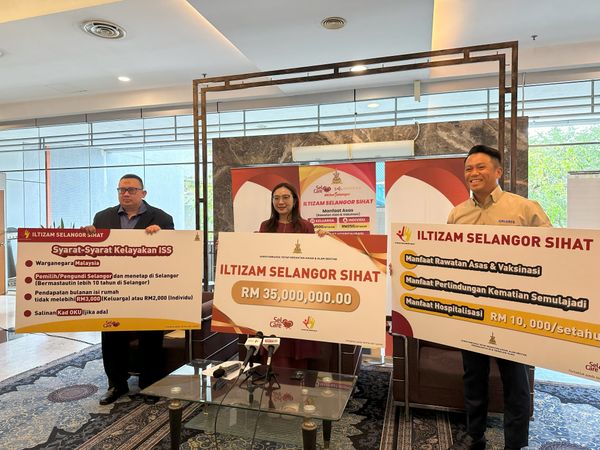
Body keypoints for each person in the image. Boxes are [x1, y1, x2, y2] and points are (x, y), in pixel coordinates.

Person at [447, 145, 551, 450]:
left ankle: (515, 443)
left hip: (513, 309)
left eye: (480, 167)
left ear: (498, 171)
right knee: (473, 376)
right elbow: (446, 257)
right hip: (472, 307)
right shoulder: (457, 213)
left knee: (515, 380)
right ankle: (475, 435)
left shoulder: (524, 208)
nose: (473, 173)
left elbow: (554, 252)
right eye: (468, 168)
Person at [83, 174, 174, 405]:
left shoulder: (162, 218)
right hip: (113, 290)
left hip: (148, 289)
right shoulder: (102, 217)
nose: (126, 193)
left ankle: (150, 385)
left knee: (150, 339)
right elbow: (95, 252)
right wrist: (88, 236)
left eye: (131, 190)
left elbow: (173, 252)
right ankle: (116, 385)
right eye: (121, 189)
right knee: (112, 339)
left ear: (143, 193)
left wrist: (162, 237)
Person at [258, 182, 325, 368]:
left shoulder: (306, 227)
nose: (281, 202)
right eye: (276, 198)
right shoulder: (265, 226)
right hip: (272, 293)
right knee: (273, 335)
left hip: (297, 294)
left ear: (294, 201)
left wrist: (324, 241)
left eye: (285, 197)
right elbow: (256, 255)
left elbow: (315, 259)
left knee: (295, 336)